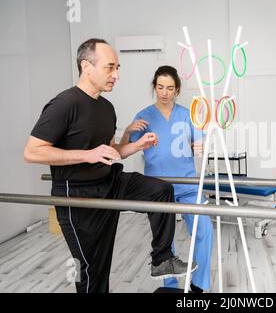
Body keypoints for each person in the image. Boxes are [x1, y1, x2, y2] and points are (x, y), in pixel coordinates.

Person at [23, 39, 194, 293]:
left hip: (109, 181)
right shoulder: (64, 104)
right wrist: (85, 155)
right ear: (86, 66)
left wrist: (137, 146)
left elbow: (111, 152)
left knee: (161, 191)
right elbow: (32, 152)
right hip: (78, 197)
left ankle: (161, 259)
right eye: (110, 67)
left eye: (118, 68)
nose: (116, 75)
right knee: (93, 271)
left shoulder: (106, 107)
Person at [121, 65, 213, 293]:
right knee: (166, 242)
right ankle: (170, 286)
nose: (164, 92)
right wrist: (127, 130)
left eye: (170, 88)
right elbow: (123, 148)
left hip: (189, 186)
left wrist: (200, 146)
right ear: (154, 87)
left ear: (177, 90)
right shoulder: (143, 117)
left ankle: (199, 285)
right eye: (160, 87)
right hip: (159, 189)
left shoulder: (187, 114)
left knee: (205, 231)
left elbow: (199, 144)